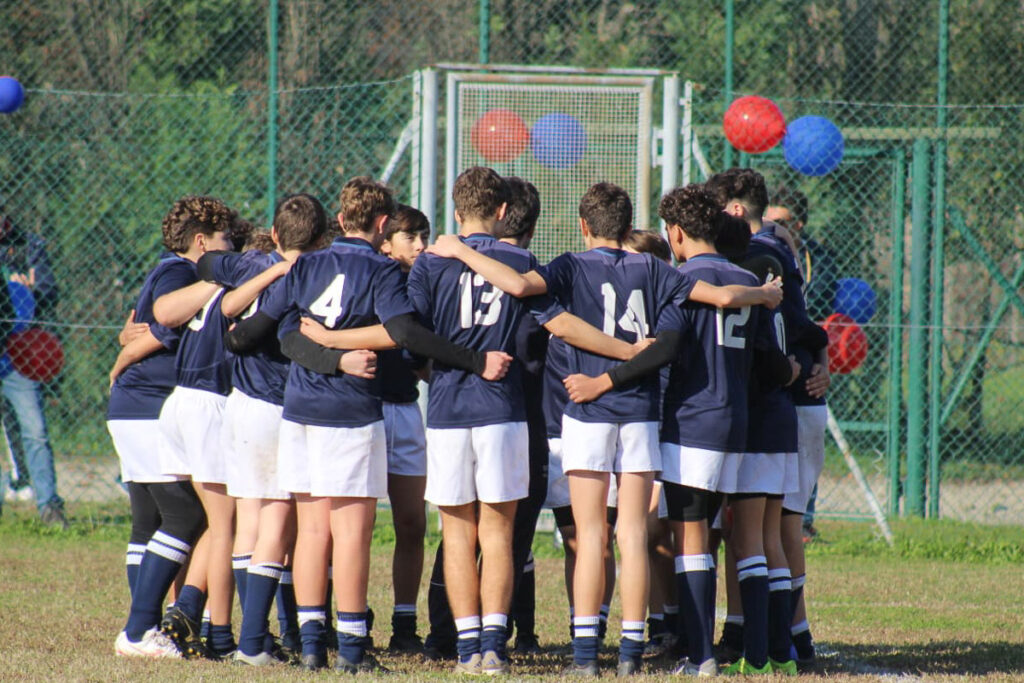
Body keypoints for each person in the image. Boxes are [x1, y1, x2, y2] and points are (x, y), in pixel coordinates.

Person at [428, 180, 782, 677]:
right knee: (633, 534)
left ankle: (586, 656)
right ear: (628, 224)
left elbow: (518, 285)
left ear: (584, 225)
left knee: (591, 533)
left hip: (587, 411)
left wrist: (461, 252)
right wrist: (764, 293)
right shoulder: (656, 267)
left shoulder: (570, 265)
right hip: (639, 412)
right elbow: (721, 296)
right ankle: (631, 653)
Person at [227, 176, 513, 673]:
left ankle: (314, 647)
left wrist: (324, 351)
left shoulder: (305, 264)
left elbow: (274, 334)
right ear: (383, 225)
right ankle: (354, 652)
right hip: (350, 412)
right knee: (352, 534)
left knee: (313, 532)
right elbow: (405, 332)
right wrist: (472, 358)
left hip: (298, 411)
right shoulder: (382, 269)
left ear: (340, 221)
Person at [198, 194, 331, 665]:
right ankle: (254, 641)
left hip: (240, 405)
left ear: (274, 234)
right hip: (277, 407)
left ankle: (244, 638)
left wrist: (267, 269)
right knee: (276, 519)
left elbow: (216, 281)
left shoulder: (254, 260)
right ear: (321, 240)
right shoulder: (316, 273)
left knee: (249, 521)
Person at [111, 195, 237, 658]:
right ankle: (140, 629)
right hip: (147, 403)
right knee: (187, 516)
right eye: (225, 241)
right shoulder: (181, 271)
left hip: (137, 403)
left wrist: (128, 344)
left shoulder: (171, 269)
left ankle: (147, 624)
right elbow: (163, 321)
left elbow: (139, 325)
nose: (231, 249)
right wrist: (128, 350)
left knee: (151, 519)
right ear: (201, 241)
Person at [0, 195, 66, 527]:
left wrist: (32, 288)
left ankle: (49, 507)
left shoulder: (26, 245)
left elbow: (50, 291)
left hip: (16, 354)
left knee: (35, 430)